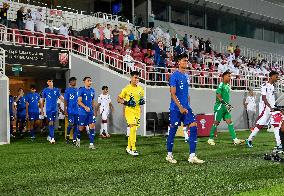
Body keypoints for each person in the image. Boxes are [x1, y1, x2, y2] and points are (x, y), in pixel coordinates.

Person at [166, 53, 204, 164]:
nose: (186, 62)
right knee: (173, 130)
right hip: (175, 109)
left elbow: (186, 93)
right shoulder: (174, 76)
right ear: (178, 62)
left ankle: (192, 156)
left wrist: (187, 105)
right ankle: (169, 155)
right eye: (184, 60)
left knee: (193, 126)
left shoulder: (187, 76)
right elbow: (172, 94)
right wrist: (180, 107)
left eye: (187, 61)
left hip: (186, 108)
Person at [207, 71, 244, 146]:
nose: (230, 77)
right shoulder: (221, 85)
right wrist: (225, 104)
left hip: (225, 107)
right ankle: (210, 139)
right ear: (223, 77)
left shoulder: (227, 86)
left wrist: (227, 105)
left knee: (230, 122)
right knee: (216, 123)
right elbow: (218, 95)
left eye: (230, 76)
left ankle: (235, 139)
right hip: (220, 107)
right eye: (228, 76)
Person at [246, 71, 280, 148]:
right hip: (266, 108)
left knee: (275, 124)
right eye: (276, 76)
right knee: (263, 125)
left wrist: (274, 106)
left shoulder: (272, 86)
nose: (277, 78)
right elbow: (264, 98)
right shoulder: (264, 85)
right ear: (271, 77)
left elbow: (271, 98)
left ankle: (279, 144)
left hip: (272, 107)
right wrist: (270, 107)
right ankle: (249, 139)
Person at [117, 71, 145, 156]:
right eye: (135, 77)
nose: (137, 79)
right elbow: (118, 99)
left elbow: (140, 100)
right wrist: (127, 103)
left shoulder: (141, 89)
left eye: (138, 78)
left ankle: (128, 148)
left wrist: (141, 103)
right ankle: (133, 149)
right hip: (129, 111)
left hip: (137, 111)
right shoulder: (126, 89)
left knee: (134, 130)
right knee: (132, 128)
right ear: (131, 78)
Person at [41, 79, 64, 144]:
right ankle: (52, 138)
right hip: (49, 109)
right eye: (49, 81)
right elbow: (42, 101)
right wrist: (42, 110)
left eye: (52, 81)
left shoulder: (56, 90)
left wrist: (67, 104)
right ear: (47, 82)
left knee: (53, 123)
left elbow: (61, 98)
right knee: (51, 122)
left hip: (55, 109)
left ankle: (50, 136)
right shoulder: (45, 90)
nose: (51, 82)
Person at [77, 77, 97, 149]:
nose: (90, 82)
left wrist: (94, 110)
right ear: (84, 82)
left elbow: (92, 101)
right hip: (82, 112)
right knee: (81, 128)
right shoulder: (81, 90)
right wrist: (85, 107)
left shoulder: (92, 90)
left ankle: (91, 144)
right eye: (88, 81)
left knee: (92, 126)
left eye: (90, 81)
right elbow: (79, 101)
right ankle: (78, 139)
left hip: (90, 112)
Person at [64, 77, 79, 145]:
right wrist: (65, 110)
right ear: (70, 82)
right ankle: (67, 136)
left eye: (75, 81)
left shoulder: (77, 90)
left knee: (76, 125)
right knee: (70, 124)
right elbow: (65, 100)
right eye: (73, 81)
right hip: (70, 110)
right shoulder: (67, 90)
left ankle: (74, 139)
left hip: (77, 110)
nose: (74, 82)